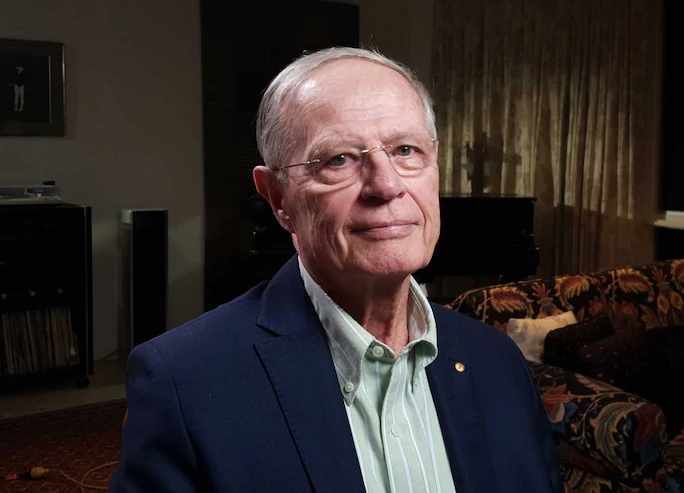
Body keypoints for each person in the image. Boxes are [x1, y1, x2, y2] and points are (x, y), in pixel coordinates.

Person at [110, 47, 561, 493]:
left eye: (406, 150)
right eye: (339, 159)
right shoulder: (183, 382)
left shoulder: (497, 361)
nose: (387, 185)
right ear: (278, 198)